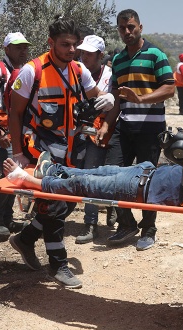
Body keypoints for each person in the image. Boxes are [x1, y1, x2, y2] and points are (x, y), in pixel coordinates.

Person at [7, 16, 115, 289]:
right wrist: (17, 152)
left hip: (72, 149)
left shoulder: (78, 70)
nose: (70, 50)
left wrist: (107, 98)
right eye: (65, 44)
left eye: (74, 45)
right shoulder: (33, 71)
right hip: (41, 149)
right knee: (54, 204)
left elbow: (94, 93)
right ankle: (58, 264)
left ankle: (26, 238)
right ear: (50, 42)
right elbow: (15, 113)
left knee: (67, 203)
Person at [96, 9, 175, 251]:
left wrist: (140, 99)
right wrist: (108, 125)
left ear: (140, 26)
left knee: (147, 180)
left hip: (150, 129)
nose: (127, 32)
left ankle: (149, 229)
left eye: (131, 27)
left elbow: (170, 88)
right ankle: (127, 223)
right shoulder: (118, 60)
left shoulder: (155, 54)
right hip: (125, 127)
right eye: (122, 28)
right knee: (112, 174)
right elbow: (118, 98)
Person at [0, 32, 31, 237]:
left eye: (25, 47)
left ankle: (6, 218)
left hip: (15, 131)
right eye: (18, 47)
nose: (23, 51)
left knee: (14, 174)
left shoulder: (19, 71)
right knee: (10, 173)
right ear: (7, 49)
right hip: (2, 131)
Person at [2, 155, 183, 206]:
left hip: (140, 188)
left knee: (84, 183)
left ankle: (29, 181)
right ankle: (52, 170)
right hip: (147, 170)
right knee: (98, 171)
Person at [74, 34, 118, 244]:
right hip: (76, 130)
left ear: (100, 55)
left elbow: (114, 105)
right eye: (82, 52)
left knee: (93, 175)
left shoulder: (109, 75)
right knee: (77, 172)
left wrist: (104, 126)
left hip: (98, 132)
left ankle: (91, 222)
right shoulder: (75, 71)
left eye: (89, 54)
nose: (84, 57)